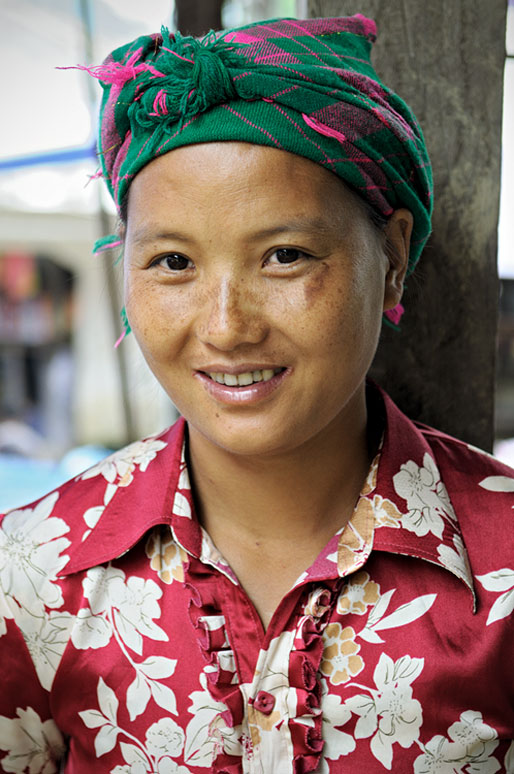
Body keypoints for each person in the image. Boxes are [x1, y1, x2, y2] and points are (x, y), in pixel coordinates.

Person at [0, 14, 513, 774]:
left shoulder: (503, 574)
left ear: (394, 258)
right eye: (173, 262)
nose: (226, 326)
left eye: (285, 256)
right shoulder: (34, 573)